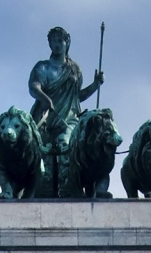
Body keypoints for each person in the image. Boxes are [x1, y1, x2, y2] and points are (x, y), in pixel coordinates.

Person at [28, 26, 103, 156]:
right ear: (50, 44)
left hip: (69, 120)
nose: (57, 44)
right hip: (45, 119)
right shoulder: (42, 67)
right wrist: (45, 98)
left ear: (67, 43)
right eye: (53, 41)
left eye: (60, 40)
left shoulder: (75, 69)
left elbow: (76, 97)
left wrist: (95, 85)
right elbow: (34, 87)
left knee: (69, 145)